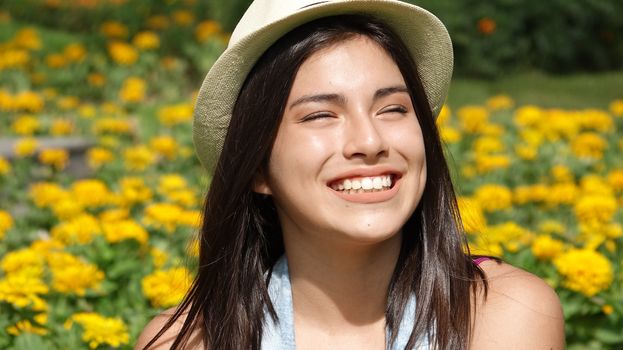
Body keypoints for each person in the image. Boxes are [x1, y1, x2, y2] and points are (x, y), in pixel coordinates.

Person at [136, 0, 565, 349]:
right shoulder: (183, 342)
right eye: (321, 115)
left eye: (393, 108)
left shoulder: (505, 315)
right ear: (257, 169)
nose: (369, 139)